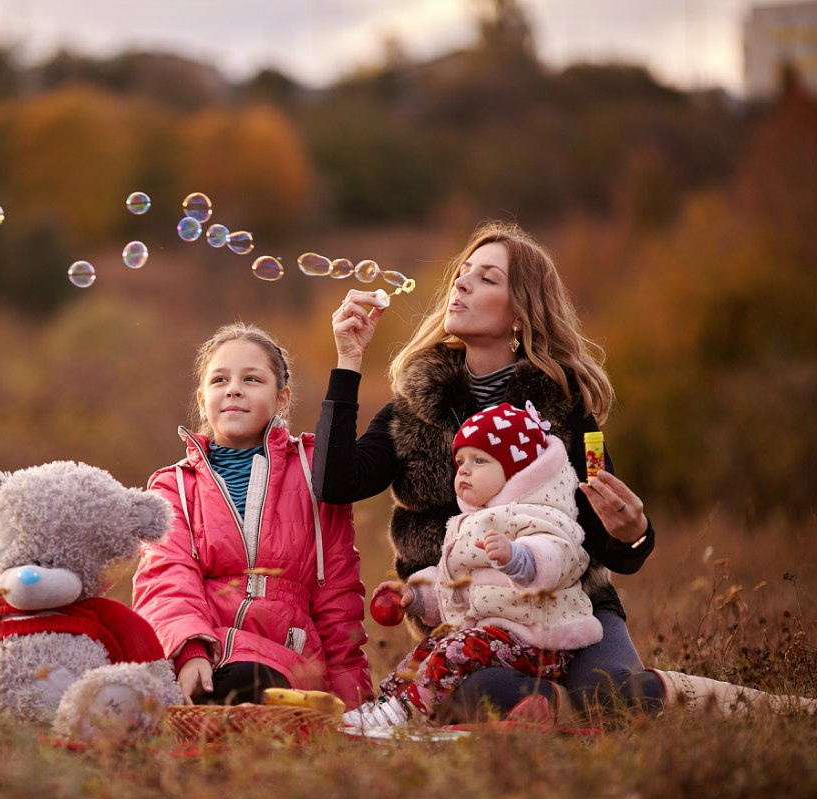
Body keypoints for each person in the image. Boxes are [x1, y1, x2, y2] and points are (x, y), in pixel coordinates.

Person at [318, 221, 817, 721]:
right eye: (462, 274)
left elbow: (612, 549)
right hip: (472, 623)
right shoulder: (412, 412)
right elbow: (335, 485)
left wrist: (633, 534)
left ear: (522, 314)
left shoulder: (568, 412)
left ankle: (780, 711)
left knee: (613, 696)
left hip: (573, 611)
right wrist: (348, 360)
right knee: (489, 693)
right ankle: (554, 709)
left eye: (487, 278)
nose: (462, 284)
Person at [133, 322, 372, 708]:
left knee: (253, 683)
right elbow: (166, 577)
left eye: (252, 379)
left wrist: (355, 703)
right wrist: (190, 650)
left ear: (282, 398)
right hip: (202, 654)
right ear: (201, 399)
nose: (233, 388)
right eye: (219, 380)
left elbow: (338, 597)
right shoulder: (173, 486)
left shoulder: (316, 473)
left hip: (288, 665)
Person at [342, 401, 602, 732]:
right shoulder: (467, 523)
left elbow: (557, 555)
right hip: (495, 637)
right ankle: (389, 704)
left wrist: (518, 557)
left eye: (479, 461)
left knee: (457, 647)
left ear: (516, 472)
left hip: (539, 640)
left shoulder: (541, 512)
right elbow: (455, 584)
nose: (464, 470)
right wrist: (417, 596)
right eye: (461, 461)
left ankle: (406, 712)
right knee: (432, 645)